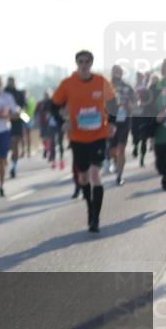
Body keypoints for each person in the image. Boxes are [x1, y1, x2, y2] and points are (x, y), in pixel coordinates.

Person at [51, 50, 116, 233]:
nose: (84, 64)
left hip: (98, 135)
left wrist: (111, 123)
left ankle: (96, 217)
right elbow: (54, 106)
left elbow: (112, 103)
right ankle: (89, 208)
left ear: (91, 63)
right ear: (76, 64)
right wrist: (62, 122)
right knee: (83, 177)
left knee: (96, 175)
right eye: (81, 61)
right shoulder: (67, 84)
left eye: (87, 61)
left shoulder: (101, 81)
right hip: (78, 137)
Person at [147, 58, 166, 209]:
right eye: (163, 67)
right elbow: (147, 109)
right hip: (162, 135)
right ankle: (165, 176)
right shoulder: (156, 88)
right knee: (163, 166)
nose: (165, 69)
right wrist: (156, 118)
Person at [106, 64, 137, 186]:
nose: (116, 74)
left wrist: (131, 105)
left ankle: (119, 175)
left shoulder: (128, 87)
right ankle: (114, 162)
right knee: (112, 150)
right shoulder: (107, 86)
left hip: (124, 120)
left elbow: (135, 101)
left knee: (121, 148)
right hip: (110, 120)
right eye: (114, 71)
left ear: (122, 73)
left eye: (118, 71)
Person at [4, 77, 28, 178]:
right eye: (9, 81)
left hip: (17, 121)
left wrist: (18, 112)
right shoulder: (3, 93)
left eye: (12, 81)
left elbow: (24, 106)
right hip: (5, 121)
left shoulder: (19, 93)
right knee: (8, 143)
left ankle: (14, 166)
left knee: (15, 143)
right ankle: (5, 160)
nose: (11, 83)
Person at [131, 71, 154, 168]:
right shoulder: (133, 88)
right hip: (135, 114)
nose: (139, 78)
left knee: (144, 138)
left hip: (144, 114)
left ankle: (142, 158)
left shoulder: (147, 88)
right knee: (135, 134)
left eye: (140, 77)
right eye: (137, 77)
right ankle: (136, 146)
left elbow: (150, 99)